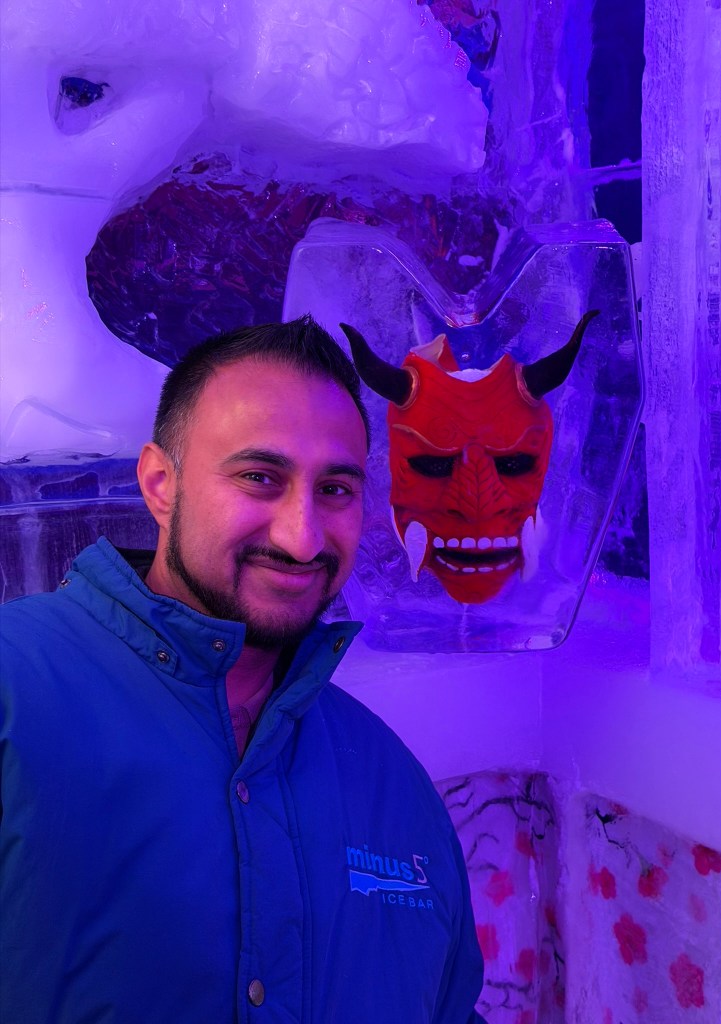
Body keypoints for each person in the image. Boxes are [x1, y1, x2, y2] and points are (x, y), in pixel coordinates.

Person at [0, 315, 486, 1024]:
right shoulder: (15, 689)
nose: (302, 537)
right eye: (260, 478)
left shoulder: (395, 786)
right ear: (160, 484)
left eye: (336, 489)